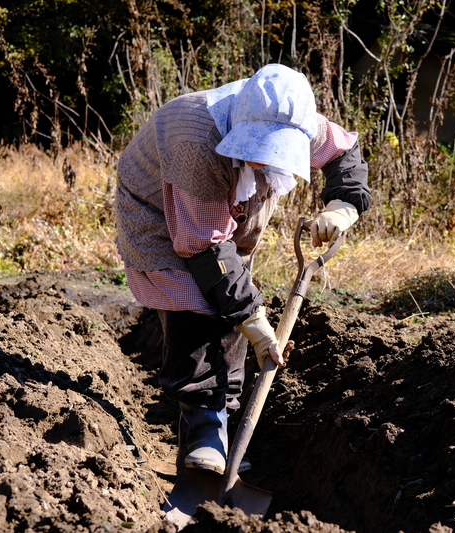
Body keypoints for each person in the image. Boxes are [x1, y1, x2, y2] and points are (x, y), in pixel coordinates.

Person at [114, 64, 372, 475]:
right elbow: (202, 249)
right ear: (242, 125)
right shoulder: (195, 139)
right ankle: (203, 433)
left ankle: (221, 428)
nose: (262, 157)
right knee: (197, 306)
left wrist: (343, 206)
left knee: (231, 306)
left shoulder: (303, 121)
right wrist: (256, 323)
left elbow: (345, 156)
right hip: (157, 211)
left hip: (223, 216)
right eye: (257, 146)